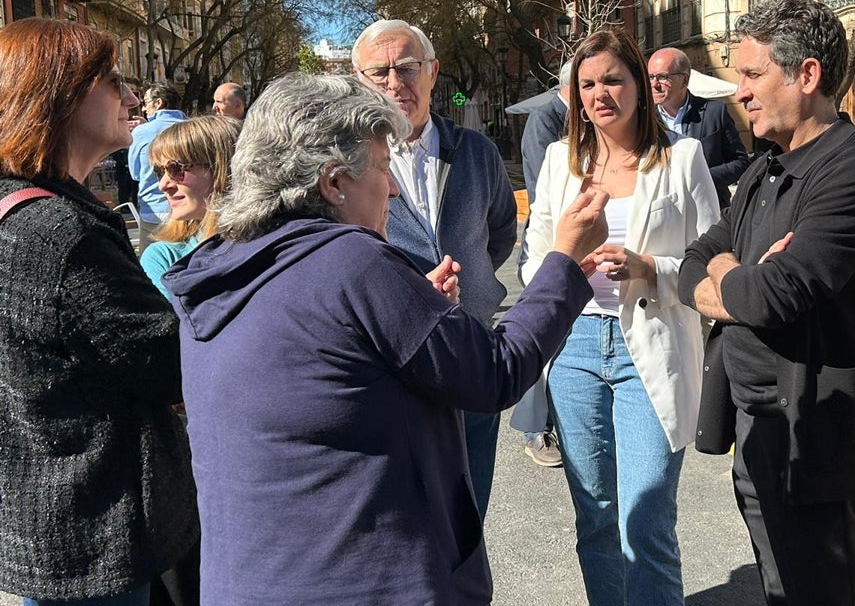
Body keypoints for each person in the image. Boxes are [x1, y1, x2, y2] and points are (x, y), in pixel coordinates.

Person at [163, 73, 608, 606]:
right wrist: (563, 261)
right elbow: (496, 372)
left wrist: (411, 307)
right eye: (380, 167)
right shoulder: (354, 264)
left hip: (249, 581)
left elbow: (324, 367)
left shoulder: (219, 267)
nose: (392, 187)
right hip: (372, 582)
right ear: (333, 182)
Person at [678, 0, 855, 606]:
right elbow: (692, 265)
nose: (741, 92)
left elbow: (773, 296)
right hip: (758, 428)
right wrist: (736, 272)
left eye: (752, 75)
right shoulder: (763, 169)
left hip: (817, 441)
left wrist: (733, 277)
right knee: (780, 587)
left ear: (806, 75)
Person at [0, 18, 198, 606]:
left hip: (47, 517)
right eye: (113, 81)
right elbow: (169, 361)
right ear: (59, 93)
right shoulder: (62, 235)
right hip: (97, 530)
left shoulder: (21, 209)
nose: (134, 97)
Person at [520, 30, 721, 606]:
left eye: (612, 79)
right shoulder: (562, 161)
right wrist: (564, 260)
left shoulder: (683, 158)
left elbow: (711, 260)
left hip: (652, 346)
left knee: (646, 516)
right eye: (587, 84)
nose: (600, 93)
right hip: (576, 347)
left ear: (638, 83)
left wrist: (647, 265)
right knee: (596, 517)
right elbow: (533, 259)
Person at [351, 19, 517, 518]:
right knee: (406, 518)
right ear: (359, 80)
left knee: (470, 508)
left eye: (406, 67)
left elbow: (502, 232)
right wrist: (407, 296)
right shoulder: (345, 165)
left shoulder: (476, 152)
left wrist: (472, 282)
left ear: (432, 72)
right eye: (378, 72)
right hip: (391, 365)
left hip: (470, 352)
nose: (393, 82)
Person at [514, 62, 572, 467]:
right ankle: (536, 429)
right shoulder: (545, 119)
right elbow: (542, 193)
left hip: (580, 245)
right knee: (543, 335)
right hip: (552, 244)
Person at [140, 116, 241, 296]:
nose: (163, 184)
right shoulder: (165, 259)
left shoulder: (276, 244)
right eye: (159, 171)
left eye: (176, 169)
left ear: (223, 170)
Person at [648, 47, 750, 208]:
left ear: (684, 80)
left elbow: (741, 162)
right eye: (651, 77)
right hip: (663, 214)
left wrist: (702, 177)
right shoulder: (644, 120)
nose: (654, 84)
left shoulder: (714, 112)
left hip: (708, 209)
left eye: (662, 77)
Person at [129, 84, 187, 225]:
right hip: (190, 208)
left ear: (159, 103)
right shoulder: (195, 127)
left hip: (154, 211)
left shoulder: (141, 132)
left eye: (145, 103)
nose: (143, 108)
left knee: (151, 248)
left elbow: (135, 174)